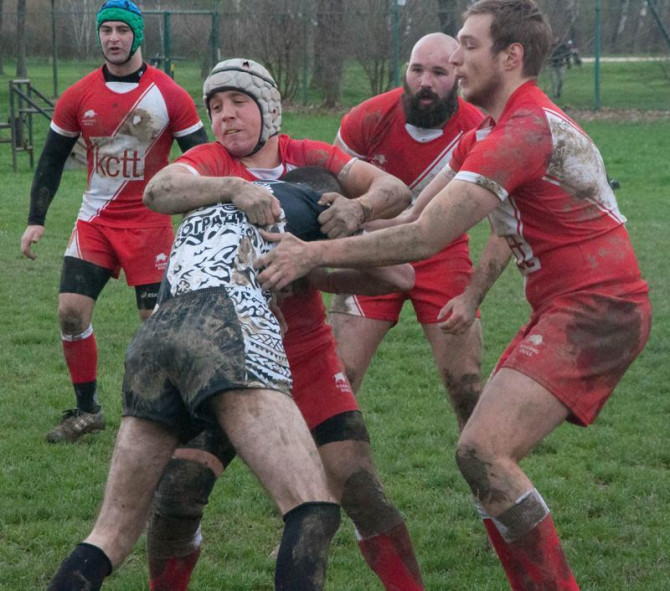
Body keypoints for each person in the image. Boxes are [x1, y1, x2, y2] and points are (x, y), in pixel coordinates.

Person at [257, 1, 652, 589]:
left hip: (600, 307)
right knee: (479, 455)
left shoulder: (522, 133)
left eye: (468, 46)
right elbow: (412, 215)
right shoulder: (487, 132)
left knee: (483, 451)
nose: (456, 58)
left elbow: (425, 238)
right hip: (571, 305)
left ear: (510, 56)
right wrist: (341, 221)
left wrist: (311, 255)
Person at [142, 60, 426, 591]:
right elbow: (159, 191)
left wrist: (353, 217)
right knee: (178, 492)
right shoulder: (212, 160)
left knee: (361, 489)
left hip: (304, 352)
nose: (225, 116)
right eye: (215, 108)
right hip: (224, 355)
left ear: (269, 107)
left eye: (238, 103)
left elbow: (395, 198)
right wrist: (234, 188)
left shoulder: (310, 158)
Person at [46, 177, 358, 591]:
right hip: (225, 325)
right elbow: (400, 274)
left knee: (110, 535)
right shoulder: (312, 202)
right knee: (312, 509)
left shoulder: (216, 202)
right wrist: (338, 239)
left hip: (156, 334)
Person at [19, 0, 208, 443]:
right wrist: (35, 219)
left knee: (155, 324)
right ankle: (87, 411)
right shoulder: (78, 95)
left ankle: (178, 412)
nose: (114, 38)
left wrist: (205, 208)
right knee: (70, 313)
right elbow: (51, 160)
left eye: (122, 30)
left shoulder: (170, 95)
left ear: (137, 35)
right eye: (106, 31)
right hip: (97, 223)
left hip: (150, 225)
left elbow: (203, 157)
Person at [330, 32, 490, 430]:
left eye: (438, 72)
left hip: (443, 252)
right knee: (337, 381)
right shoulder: (367, 118)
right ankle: (320, 469)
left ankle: (484, 465)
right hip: (373, 252)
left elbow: (504, 222)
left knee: (466, 385)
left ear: (458, 75)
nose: (425, 82)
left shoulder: (479, 129)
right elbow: (331, 189)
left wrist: (472, 294)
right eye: (417, 70)